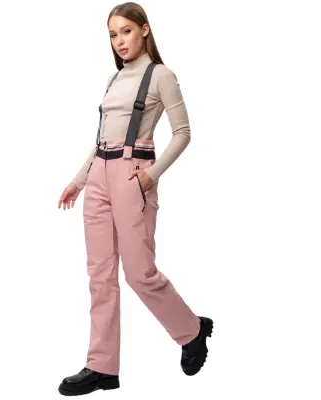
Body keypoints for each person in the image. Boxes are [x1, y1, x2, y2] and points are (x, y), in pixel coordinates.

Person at [57, 2, 213, 396]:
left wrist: (150, 176)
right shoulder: (114, 79)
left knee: (139, 273)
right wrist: (79, 180)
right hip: (99, 176)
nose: (119, 40)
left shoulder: (161, 75)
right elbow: (102, 139)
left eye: (126, 31)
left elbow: (183, 133)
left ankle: (192, 331)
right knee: (100, 275)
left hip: (133, 176)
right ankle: (101, 366)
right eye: (113, 34)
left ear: (144, 29)